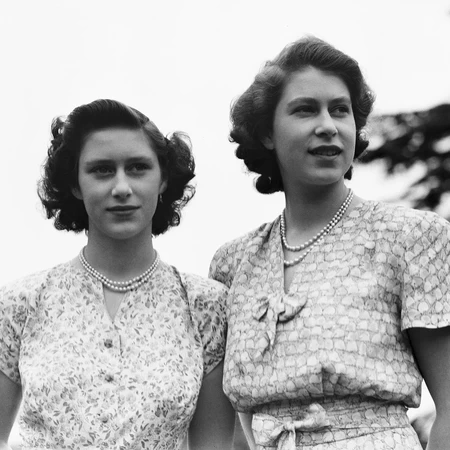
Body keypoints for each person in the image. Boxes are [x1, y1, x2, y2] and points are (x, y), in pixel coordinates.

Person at [209, 37, 450, 449]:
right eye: (305, 109)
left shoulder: (411, 237)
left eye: (340, 110)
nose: (328, 125)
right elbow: (240, 418)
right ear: (266, 133)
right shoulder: (233, 263)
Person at [0, 99, 235, 450]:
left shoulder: (206, 306)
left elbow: (212, 446)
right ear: (76, 184)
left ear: (162, 179)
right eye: (102, 170)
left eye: (138, 168)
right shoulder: (19, 303)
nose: (122, 187)